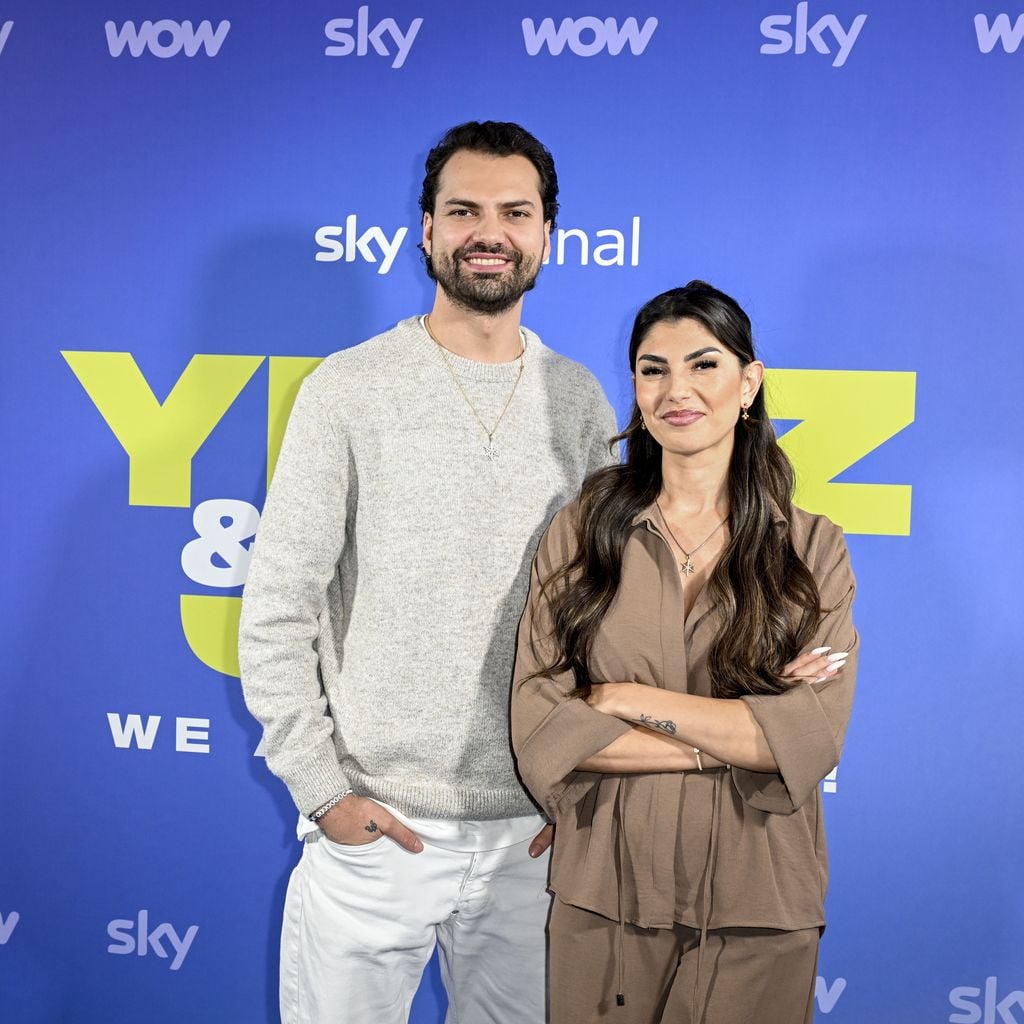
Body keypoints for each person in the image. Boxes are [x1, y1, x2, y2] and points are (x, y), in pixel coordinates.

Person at [238, 121, 617, 1024]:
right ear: (427, 229)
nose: (491, 232)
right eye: (465, 211)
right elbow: (280, 604)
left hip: (533, 837)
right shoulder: (348, 387)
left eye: (514, 213)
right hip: (377, 830)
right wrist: (324, 792)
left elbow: (611, 616)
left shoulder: (582, 401)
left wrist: (577, 789)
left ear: (547, 237)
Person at [511, 281, 858, 1024]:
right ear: (634, 388)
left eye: (703, 365)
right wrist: (739, 732)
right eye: (652, 368)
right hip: (606, 891)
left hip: (759, 896)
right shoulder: (579, 534)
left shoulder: (814, 548)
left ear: (748, 383)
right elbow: (543, 728)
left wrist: (622, 701)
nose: (676, 390)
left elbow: (813, 735)